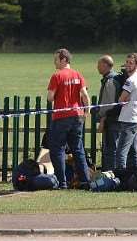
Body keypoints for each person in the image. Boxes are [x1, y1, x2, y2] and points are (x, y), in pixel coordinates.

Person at [47, 48, 91, 189]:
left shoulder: (57, 76)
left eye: (56, 59)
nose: (55, 62)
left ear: (64, 59)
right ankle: (85, 181)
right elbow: (84, 95)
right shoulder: (78, 75)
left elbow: (50, 97)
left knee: (57, 149)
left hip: (61, 116)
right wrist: (87, 110)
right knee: (78, 149)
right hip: (77, 115)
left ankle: (62, 182)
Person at [116, 54, 137, 170]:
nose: (127, 65)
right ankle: (133, 176)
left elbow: (121, 100)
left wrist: (123, 99)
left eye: (130, 63)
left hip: (129, 119)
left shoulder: (130, 80)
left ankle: (121, 177)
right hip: (134, 117)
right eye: (127, 62)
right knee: (133, 151)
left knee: (121, 151)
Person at [96, 55, 121, 171]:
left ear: (105, 65)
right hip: (114, 119)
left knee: (110, 150)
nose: (97, 67)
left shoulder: (110, 81)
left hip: (112, 120)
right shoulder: (113, 78)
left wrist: (102, 117)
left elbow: (109, 104)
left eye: (99, 64)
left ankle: (110, 174)